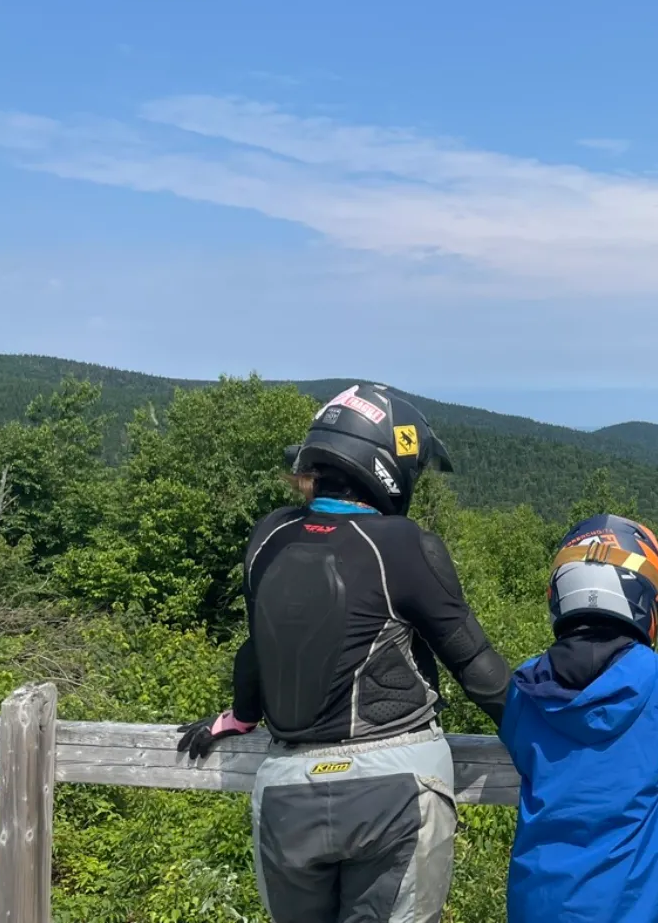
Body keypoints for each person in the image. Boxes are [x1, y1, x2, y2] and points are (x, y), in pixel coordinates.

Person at [177, 384, 509, 923]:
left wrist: (237, 718)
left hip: (287, 797)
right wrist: (541, 735)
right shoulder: (402, 544)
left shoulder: (269, 537)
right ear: (388, 466)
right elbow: (477, 668)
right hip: (395, 789)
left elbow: (258, 648)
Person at [500, 513, 658, 923]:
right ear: (646, 599)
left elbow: (518, 743)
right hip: (635, 907)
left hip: (538, 904)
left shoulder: (525, 686)